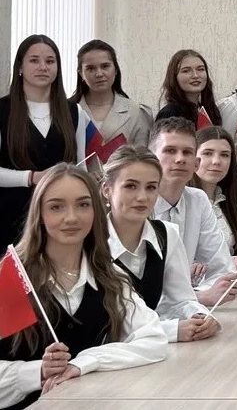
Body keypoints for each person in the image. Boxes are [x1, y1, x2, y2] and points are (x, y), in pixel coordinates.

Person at [0, 164, 167, 409]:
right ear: (39, 215)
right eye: (56, 207)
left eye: (83, 205)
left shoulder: (111, 278)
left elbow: (154, 340)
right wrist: (38, 372)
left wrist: (84, 363)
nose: (71, 218)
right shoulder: (9, 278)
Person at [103, 145, 217, 344]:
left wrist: (200, 317)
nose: (142, 197)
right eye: (130, 186)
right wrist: (171, 330)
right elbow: (106, 327)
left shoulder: (166, 234)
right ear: (107, 190)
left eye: (151, 187)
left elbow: (182, 299)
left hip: (151, 352)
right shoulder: (91, 242)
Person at [0, 35, 90, 250]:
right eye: (34, 60)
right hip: (10, 217)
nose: (43, 67)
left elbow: (81, 166)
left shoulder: (74, 111)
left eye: (50, 61)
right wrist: (31, 177)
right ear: (20, 67)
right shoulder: (3, 110)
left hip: (62, 218)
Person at [148, 118, 237, 308]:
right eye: (170, 150)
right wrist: (198, 298)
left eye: (187, 152)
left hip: (188, 313)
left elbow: (222, 269)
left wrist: (197, 295)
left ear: (196, 164)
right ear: (151, 159)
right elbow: (135, 294)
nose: (180, 159)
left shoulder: (198, 200)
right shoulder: (137, 204)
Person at [69, 40, 152, 149]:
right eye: (90, 68)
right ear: (81, 73)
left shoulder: (136, 112)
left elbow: (143, 155)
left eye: (105, 66)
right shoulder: (67, 111)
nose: (99, 74)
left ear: (116, 69)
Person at [192, 126, 237, 262]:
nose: (216, 161)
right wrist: (229, 264)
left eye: (225, 155)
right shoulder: (181, 201)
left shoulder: (230, 203)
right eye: (208, 153)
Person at [155, 49, 222, 127]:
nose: (195, 75)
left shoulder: (211, 110)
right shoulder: (170, 114)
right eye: (186, 71)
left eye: (200, 69)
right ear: (174, 77)